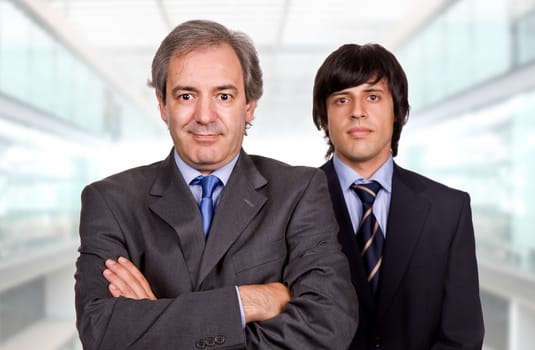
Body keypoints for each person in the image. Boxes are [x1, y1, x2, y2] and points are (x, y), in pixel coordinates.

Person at [74, 20, 358, 350]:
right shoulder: (110, 202)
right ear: (163, 106)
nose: (205, 116)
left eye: (223, 95)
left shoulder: (300, 191)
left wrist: (156, 323)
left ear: (249, 106)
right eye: (186, 95)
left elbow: (330, 322)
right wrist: (249, 301)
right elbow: (101, 331)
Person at [312, 43, 485, 349]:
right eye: (342, 99)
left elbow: (463, 336)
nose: (357, 112)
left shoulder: (449, 210)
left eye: (373, 97)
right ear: (324, 117)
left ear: (398, 112)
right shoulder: (290, 203)